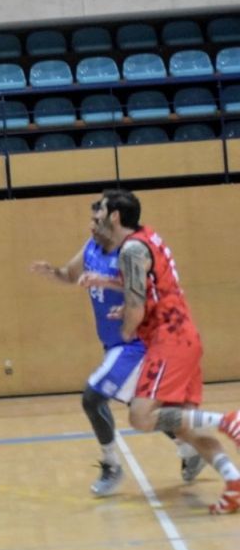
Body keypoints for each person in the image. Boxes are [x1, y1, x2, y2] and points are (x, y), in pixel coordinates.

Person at [31, 200, 203, 497]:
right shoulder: (91, 249)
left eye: (97, 220)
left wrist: (122, 308)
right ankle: (190, 449)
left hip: (134, 343)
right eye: (91, 220)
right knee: (140, 406)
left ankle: (111, 465)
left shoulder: (130, 253)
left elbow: (142, 290)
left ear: (113, 221)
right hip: (113, 344)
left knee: (92, 397)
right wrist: (54, 273)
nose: (91, 225)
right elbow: (70, 275)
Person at [88, 189, 240, 514]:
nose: (96, 216)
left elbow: (136, 303)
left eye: (100, 210)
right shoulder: (146, 237)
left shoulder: (129, 251)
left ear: (115, 216)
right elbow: (149, 285)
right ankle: (234, 482)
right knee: (185, 428)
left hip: (168, 339)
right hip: (184, 335)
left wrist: (128, 324)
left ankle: (227, 420)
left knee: (140, 416)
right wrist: (110, 285)